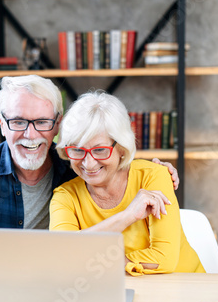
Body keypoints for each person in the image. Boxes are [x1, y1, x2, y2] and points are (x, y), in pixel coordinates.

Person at [0, 75, 179, 265]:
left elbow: (104, 153)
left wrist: (153, 169)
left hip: (66, 285)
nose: (30, 135)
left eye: (42, 122)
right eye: (18, 122)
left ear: (58, 124)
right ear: (1, 123)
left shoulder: (75, 168)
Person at [49, 91, 205, 276]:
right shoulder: (64, 196)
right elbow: (62, 256)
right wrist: (128, 216)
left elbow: (165, 259)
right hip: (117, 292)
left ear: (121, 148)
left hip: (185, 286)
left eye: (100, 150)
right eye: (77, 150)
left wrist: (87, 262)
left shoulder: (153, 176)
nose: (88, 163)